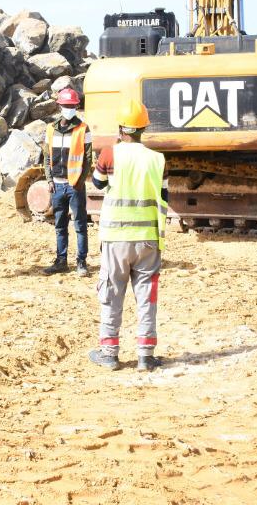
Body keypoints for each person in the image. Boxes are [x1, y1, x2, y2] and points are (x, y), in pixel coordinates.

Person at [88, 100, 169, 372]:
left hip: (116, 238)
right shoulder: (158, 160)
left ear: (121, 128)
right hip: (148, 238)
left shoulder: (110, 154)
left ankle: (109, 352)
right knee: (147, 296)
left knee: (112, 292)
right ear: (144, 128)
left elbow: (97, 183)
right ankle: (146, 355)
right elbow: (164, 196)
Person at [42, 88, 93, 277]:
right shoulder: (50, 129)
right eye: (65, 106)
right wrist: (49, 180)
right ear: (59, 106)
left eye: (71, 106)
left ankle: (81, 262)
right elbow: (47, 158)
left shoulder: (83, 129)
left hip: (74, 186)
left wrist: (79, 182)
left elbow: (88, 159)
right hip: (56, 185)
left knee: (80, 225)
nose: (68, 109)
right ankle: (61, 261)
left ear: (76, 107)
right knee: (60, 225)